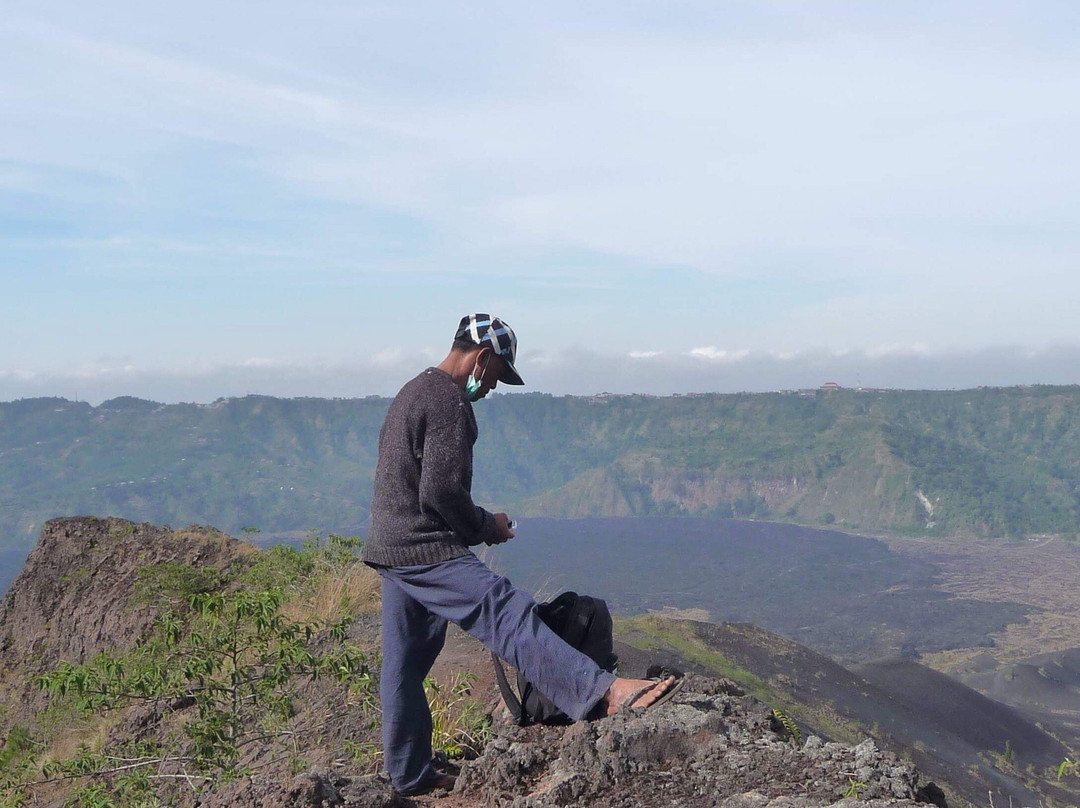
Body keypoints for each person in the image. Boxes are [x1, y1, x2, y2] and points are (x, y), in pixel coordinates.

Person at [362, 313, 681, 796]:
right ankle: (604, 693)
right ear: (482, 358)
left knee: (403, 666)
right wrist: (485, 526)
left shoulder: (412, 390)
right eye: (496, 375)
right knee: (507, 611)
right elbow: (441, 492)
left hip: (389, 546)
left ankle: (409, 776)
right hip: (423, 546)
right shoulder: (448, 402)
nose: (493, 387)